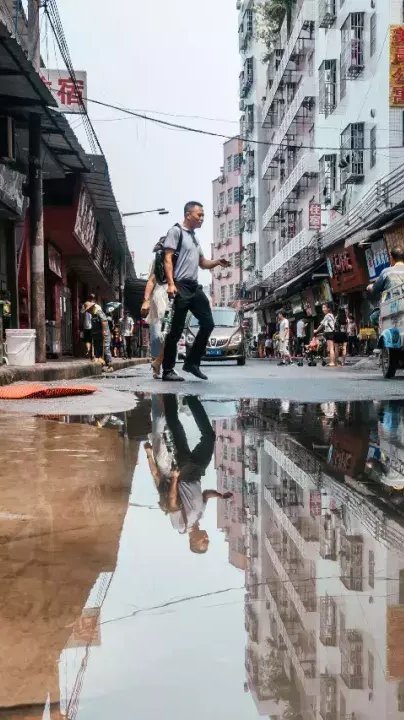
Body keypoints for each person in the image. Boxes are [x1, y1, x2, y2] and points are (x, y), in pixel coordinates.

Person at [145, 394, 231, 552]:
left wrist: (175, 478)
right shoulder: (199, 516)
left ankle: (169, 394)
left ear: (193, 541)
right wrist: (219, 495)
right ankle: (191, 399)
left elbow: (172, 502)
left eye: (203, 541)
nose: (206, 538)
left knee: (175, 425)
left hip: (183, 473)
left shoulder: (180, 526)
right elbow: (205, 494)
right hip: (197, 471)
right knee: (209, 437)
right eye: (208, 540)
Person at [160, 202, 231, 382]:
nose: (202, 218)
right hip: (180, 286)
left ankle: (192, 363)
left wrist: (217, 262)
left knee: (208, 323)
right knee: (176, 330)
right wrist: (170, 284)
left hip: (194, 287)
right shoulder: (176, 232)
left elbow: (202, 263)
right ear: (188, 214)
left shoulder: (193, 238)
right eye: (199, 215)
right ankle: (167, 370)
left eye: (203, 215)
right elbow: (167, 258)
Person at [141, 253, 171, 378]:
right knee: (157, 336)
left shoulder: (181, 258)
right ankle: (156, 366)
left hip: (172, 300)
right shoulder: (159, 260)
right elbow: (152, 280)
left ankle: (163, 365)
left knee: (168, 335)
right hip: (158, 300)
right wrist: (146, 301)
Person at [319, 303, 338, 367]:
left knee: (331, 348)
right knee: (331, 348)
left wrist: (316, 330)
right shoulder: (332, 315)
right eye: (322, 308)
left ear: (328, 309)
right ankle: (333, 361)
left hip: (330, 333)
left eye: (324, 307)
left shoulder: (327, 315)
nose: (323, 309)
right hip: (332, 332)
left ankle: (332, 362)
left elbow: (322, 324)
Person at [81, 294, 96, 359]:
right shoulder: (95, 305)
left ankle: (88, 348)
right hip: (93, 325)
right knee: (92, 340)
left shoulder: (84, 304)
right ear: (93, 299)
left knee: (87, 339)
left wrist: (81, 323)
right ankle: (92, 354)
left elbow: (82, 314)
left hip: (86, 325)